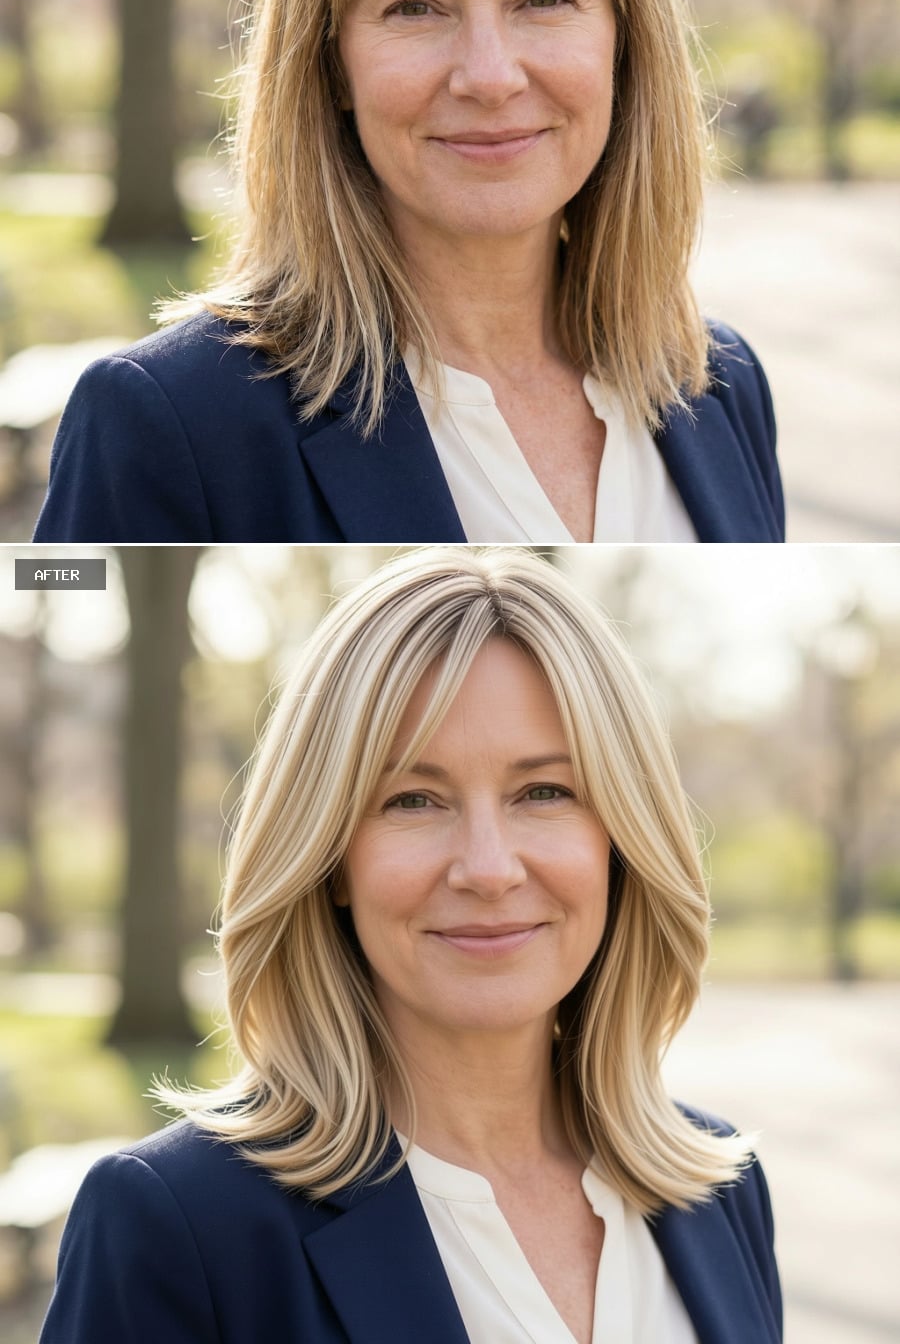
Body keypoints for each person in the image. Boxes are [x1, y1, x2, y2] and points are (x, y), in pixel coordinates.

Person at [34, 0, 784, 546]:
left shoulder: (721, 385)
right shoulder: (166, 421)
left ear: (624, 42)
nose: (490, 76)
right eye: (415, 8)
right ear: (331, 62)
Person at [40, 548, 782, 1344]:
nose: (490, 869)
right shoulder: (177, 1223)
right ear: (329, 861)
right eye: (413, 799)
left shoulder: (719, 1184)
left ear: (621, 840)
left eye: (545, 792)